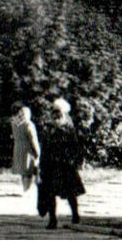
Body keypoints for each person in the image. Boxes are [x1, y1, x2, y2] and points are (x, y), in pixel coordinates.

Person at [36, 97, 86, 229]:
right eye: (54, 114)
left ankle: (75, 215)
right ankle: (53, 220)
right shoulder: (49, 131)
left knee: (70, 193)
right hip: (51, 166)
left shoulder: (69, 131)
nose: (56, 118)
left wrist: (75, 161)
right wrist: (41, 167)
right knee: (50, 194)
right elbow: (44, 150)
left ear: (64, 115)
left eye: (59, 115)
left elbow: (76, 148)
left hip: (65, 166)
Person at [10, 103, 41, 193]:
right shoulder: (29, 124)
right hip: (28, 150)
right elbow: (33, 139)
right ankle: (27, 190)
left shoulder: (15, 124)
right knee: (29, 170)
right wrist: (38, 152)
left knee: (23, 171)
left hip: (18, 148)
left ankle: (24, 188)